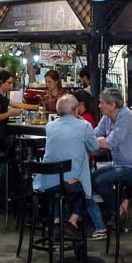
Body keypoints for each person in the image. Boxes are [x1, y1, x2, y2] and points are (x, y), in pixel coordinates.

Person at [34, 94, 104, 238]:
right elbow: (94, 147)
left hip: (46, 182)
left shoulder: (50, 126)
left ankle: (56, 222)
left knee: (63, 186)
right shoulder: (84, 126)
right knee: (83, 187)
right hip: (70, 183)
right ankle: (72, 221)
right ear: (75, 110)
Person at [91, 88, 132, 239]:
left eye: (102, 103)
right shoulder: (108, 117)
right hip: (120, 163)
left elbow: (111, 142)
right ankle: (121, 206)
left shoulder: (125, 116)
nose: (99, 106)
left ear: (112, 105)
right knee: (92, 179)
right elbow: (96, 133)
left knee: (98, 180)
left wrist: (97, 142)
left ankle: (118, 211)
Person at [0, 70, 36, 210]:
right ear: (1, 83)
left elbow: (18, 105)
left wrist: (37, 107)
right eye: (9, 83)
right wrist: (10, 113)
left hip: (0, 135)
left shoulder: (2, 96)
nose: (11, 85)